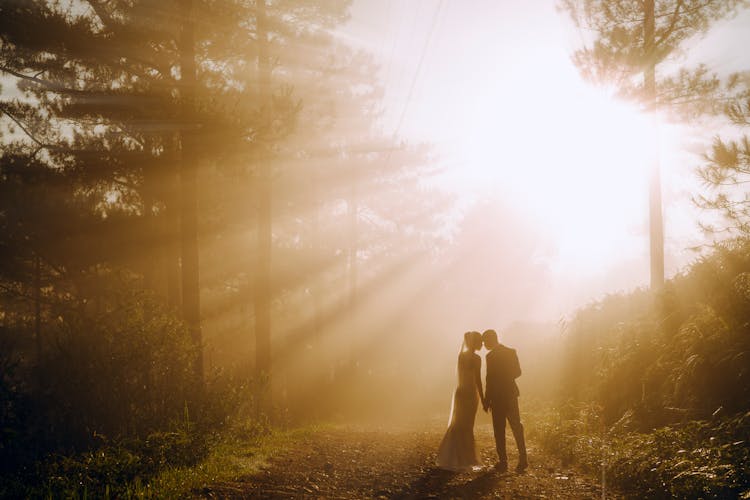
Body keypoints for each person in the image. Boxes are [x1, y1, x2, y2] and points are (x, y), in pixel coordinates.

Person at [436, 331, 484, 471]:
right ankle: (466, 458)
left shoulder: (461, 356)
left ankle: (455, 456)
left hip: (460, 392)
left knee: (458, 424)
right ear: (474, 342)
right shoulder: (476, 358)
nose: (481, 344)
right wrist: (483, 397)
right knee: (467, 426)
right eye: (480, 341)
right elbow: (478, 380)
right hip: (470, 394)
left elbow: (462, 376)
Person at [482, 328, 528, 473]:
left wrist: (487, 399)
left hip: (498, 397)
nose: (484, 345)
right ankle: (522, 459)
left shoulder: (491, 356)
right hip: (509, 394)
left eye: (485, 342)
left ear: (491, 339)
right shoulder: (510, 352)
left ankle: (504, 462)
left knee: (500, 429)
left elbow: (489, 379)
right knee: (515, 426)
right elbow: (517, 372)